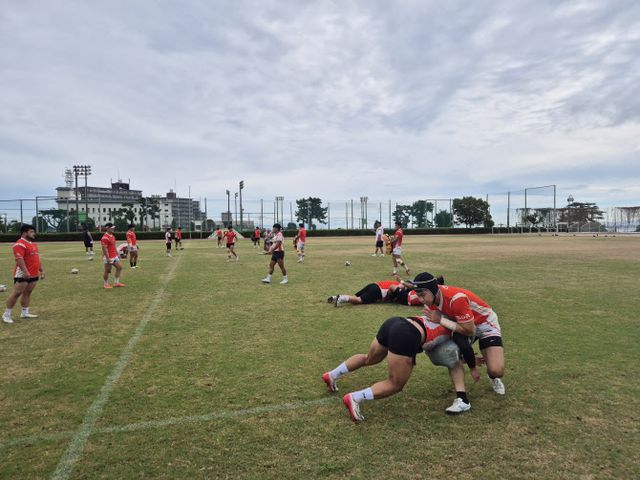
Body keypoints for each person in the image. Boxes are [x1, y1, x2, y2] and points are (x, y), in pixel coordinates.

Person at [322, 314, 453, 422]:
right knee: (396, 384)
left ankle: (332, 375)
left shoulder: (441, 313)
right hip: (407, 334)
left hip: (395, 322)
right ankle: (355, 397)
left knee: (369, 358)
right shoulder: (455, 327)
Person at [407, 272, 505, 414]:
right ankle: (462, 399)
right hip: (459, 324)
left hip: (484, 324)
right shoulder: (430, 301)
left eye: (423, 295)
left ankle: (492, 376)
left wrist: (440, 320)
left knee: (496, 370)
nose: (421, 299)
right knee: (449, 351)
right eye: (418, 295)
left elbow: (469, 330)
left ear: (433, 290)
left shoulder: (455, 298)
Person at [3, 224, 44, 324]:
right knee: (17, 293)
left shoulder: (33, 244)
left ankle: (25, 312)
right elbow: (19, 259)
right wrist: (25, 272)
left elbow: (37, 258)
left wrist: (41, 270)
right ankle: (6, 315)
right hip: (23, 273)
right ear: (24, 233)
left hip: (33, 273)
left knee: (28, 292)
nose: (34, 234)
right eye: (31, 232)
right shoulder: (19, 244)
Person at [327, 280, 426, 307]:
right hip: (377, 291)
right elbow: (392, 289)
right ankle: (341, 298)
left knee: (354, 298)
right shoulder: (401, 286)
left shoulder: (397, 282)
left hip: (373, 285)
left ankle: (335, 297)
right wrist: (391, 298)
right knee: (358, 300)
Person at [101, 223, 125, 289]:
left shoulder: (112, 236)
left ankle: (116, 283)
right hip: (108, 257)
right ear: (108, 228)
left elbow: (114, 246)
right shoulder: (105, 237)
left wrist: (117, 254)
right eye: (112, 228)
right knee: (107, 270)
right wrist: (108, 258)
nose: (113, 229)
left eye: (113, 227)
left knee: (119, 267)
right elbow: (104, 249)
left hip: (114, 256)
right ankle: (105, 284)